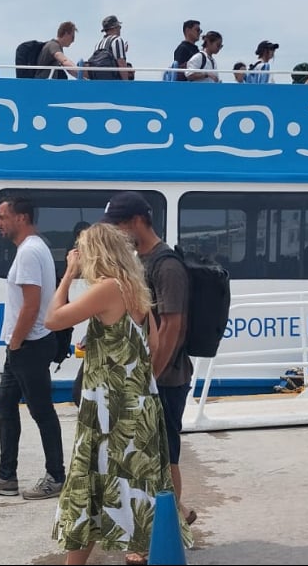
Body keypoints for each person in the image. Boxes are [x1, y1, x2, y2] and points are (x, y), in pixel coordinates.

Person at [46, 223, 191, 565]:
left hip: (109, 409)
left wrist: (67, 274)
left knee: (92, 486)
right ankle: (138, 554)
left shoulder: (108, 288)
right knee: (136, 489)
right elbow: (152, 345)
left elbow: (53, 319)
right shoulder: (136, 290)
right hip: (139, 403)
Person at [103, 191, 198, 527]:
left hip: (166, 380)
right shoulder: (138, 261)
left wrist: (152, 377)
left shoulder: (167, 265)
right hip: (145, 377)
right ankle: (177, 516)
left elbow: (174, 325)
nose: (114, 233)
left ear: (136, 222)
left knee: (165, 456)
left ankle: (167, 530)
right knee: (146, 455)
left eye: (117, 225)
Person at [0, 196, 66, 500]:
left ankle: (56, 476)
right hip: (24, 344)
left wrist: (15, 341)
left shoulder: (28, 253)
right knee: (5, 404)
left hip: (29, 344)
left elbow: (31, 303)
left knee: (41, 411)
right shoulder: (34, 248)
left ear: (22, 218)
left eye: (2, 217)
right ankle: (6, 475)